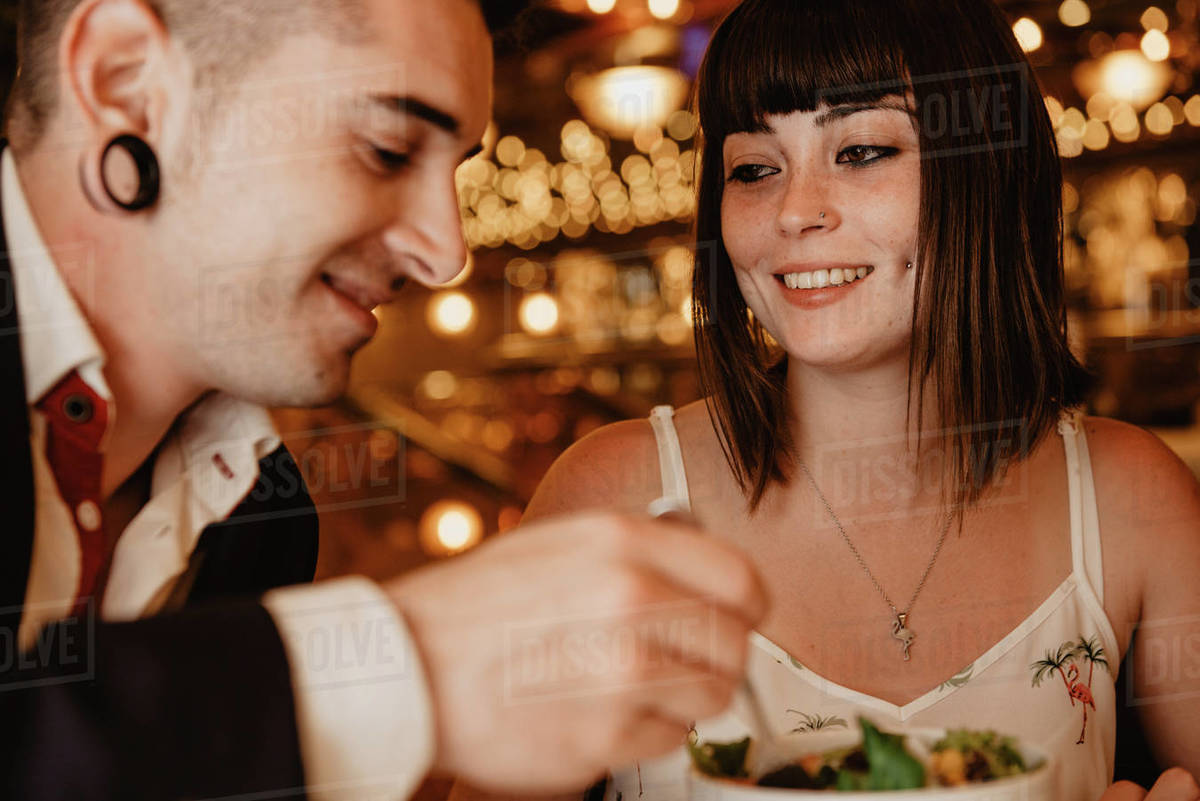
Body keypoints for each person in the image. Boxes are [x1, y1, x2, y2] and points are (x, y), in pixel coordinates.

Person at [0, 0, 769, 798]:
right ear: (125, 81)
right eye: (387, 149)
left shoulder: (266, 511)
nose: (445, 252)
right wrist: (413, 667)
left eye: (456, 171)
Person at [451, 1, 1200, 800]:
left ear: (987, 167)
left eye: (863, 150)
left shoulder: (1128, 498)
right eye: (754, 169)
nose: (795, 211)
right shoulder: (615, 495)